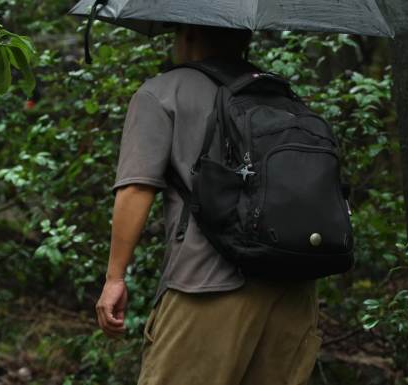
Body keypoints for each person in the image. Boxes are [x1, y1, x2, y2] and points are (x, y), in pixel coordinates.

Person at [95, 24, 322, 385]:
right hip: (293, 289)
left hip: (207, 288)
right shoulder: (281, 94)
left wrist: (114, 278)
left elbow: (136, 188)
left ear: (188, 35)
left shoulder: (162, 92)